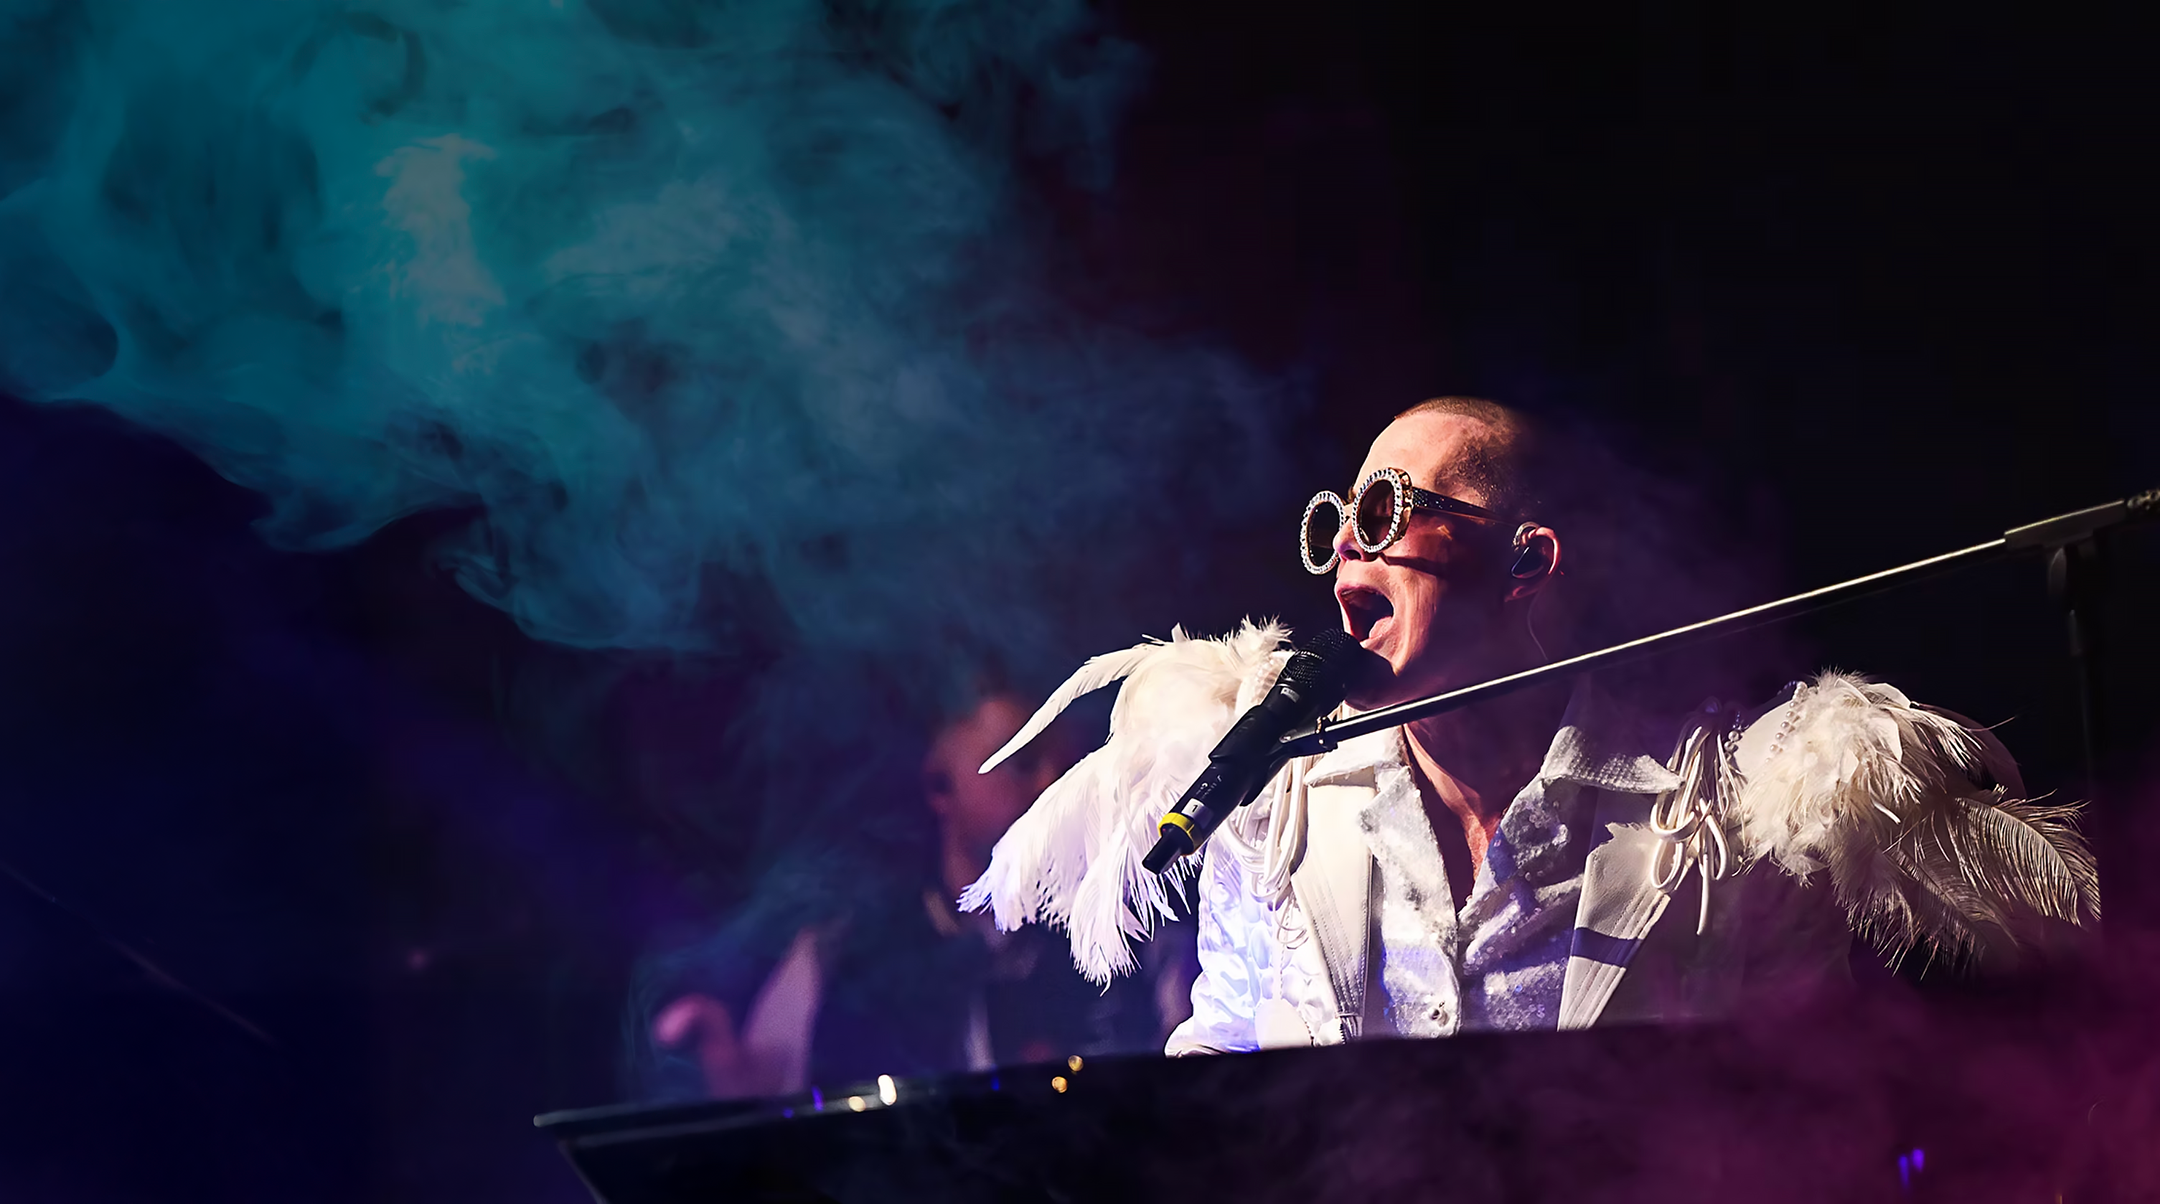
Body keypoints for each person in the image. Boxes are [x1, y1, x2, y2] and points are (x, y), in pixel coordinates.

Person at [965, 396, 2096, 1054]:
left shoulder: (1724, 823)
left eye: (1386, 511)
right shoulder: (1272, 818)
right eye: (1339, 523)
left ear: (1527, 561)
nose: (1350, 548)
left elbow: (1805, 1111)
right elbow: (1221, 1064)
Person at [649, 691, 1196, 1097]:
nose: (1053, 783)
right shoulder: (847, 949)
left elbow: (1203, 1083)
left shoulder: (1137, 927)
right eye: (1023, 761)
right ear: (940, 786)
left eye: (1068, 764)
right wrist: (716, 1050)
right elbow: (767, 1098)